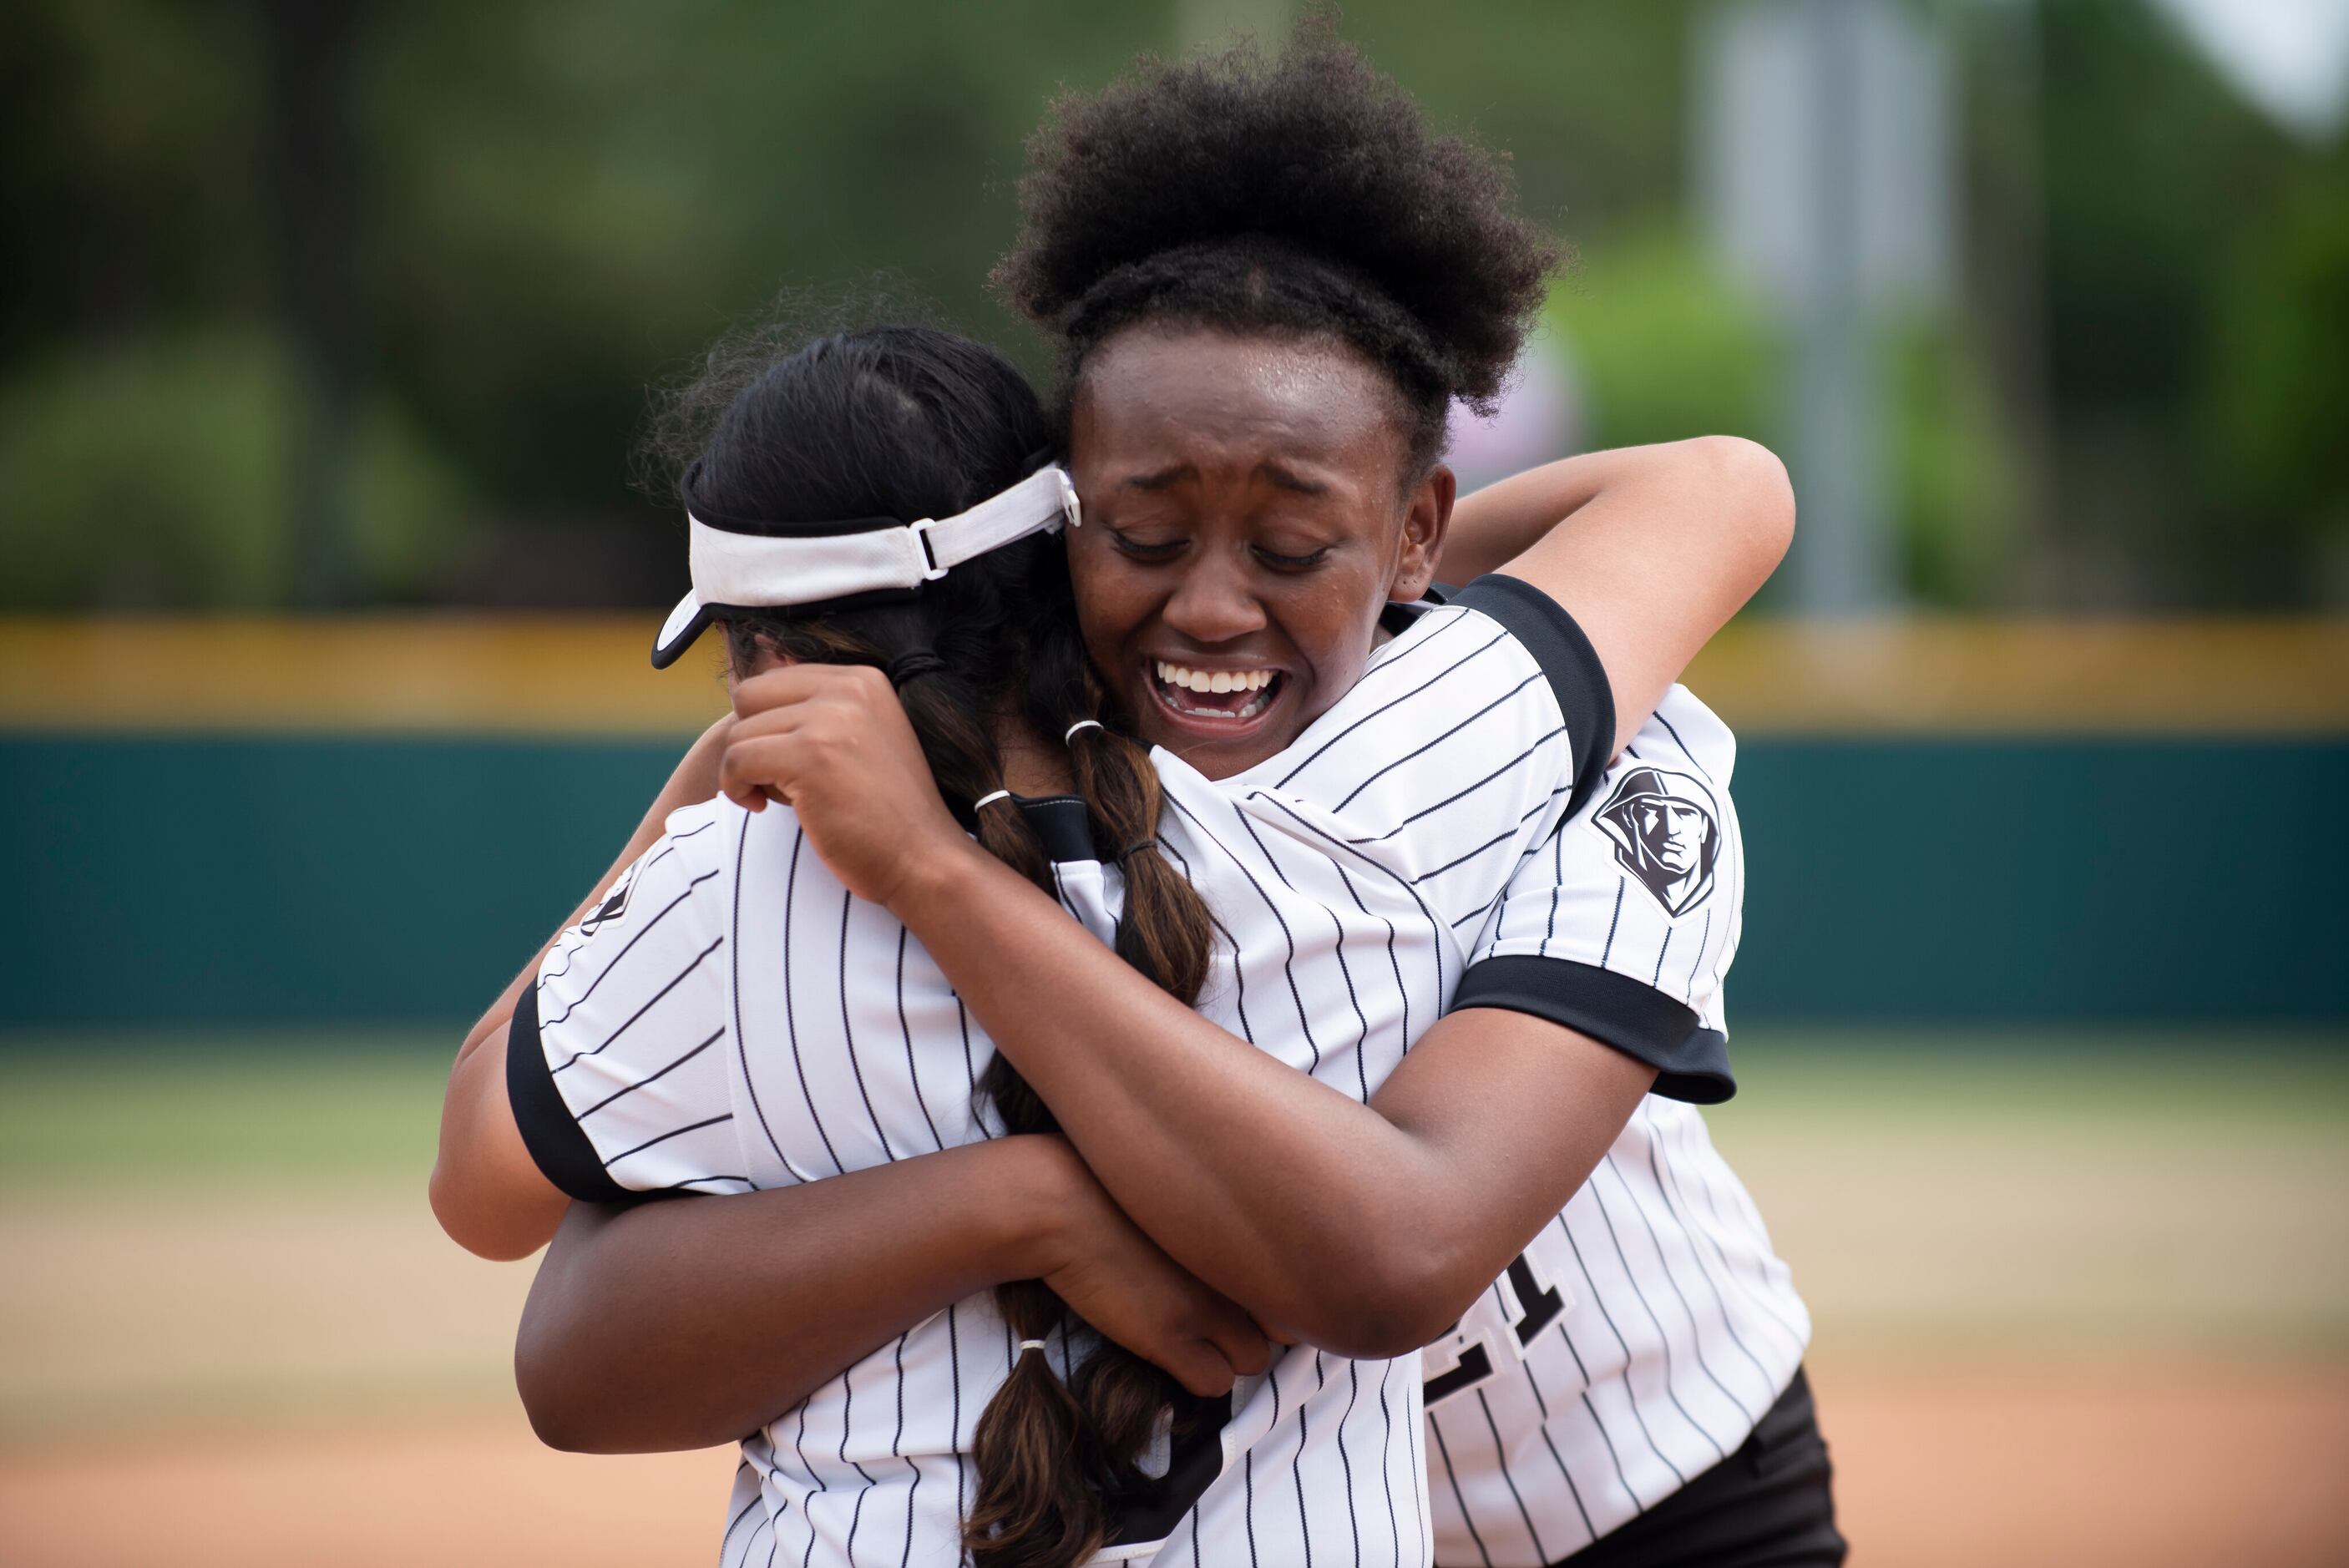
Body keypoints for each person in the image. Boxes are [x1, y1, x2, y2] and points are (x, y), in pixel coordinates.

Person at [437, 31, 1833, 1568]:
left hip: (1641, 1488)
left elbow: (1408, 1242)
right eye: (1142, 533)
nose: (1213, 610)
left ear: (1414, 530)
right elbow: (574, 1312)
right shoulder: (951, 812)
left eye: (1292, 542)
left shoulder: (1549, 736)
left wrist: (1379, 593)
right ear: (1053, 528)